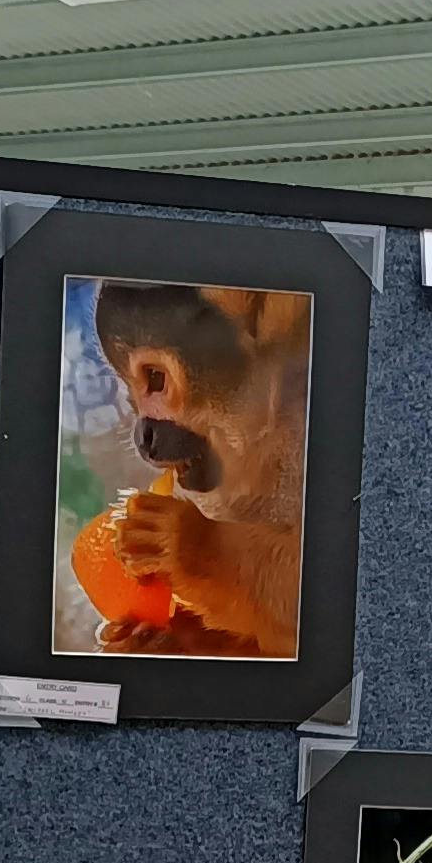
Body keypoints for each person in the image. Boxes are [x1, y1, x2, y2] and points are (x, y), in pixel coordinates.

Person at [90, 279, 308, 659]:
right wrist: (192, 643)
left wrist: (207, 551)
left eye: (155, 379)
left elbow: (334, 608)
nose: (145, 433)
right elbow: (285, 644)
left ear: (257, 310)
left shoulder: (322, 408)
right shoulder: (242, 471)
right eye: (130, 394)